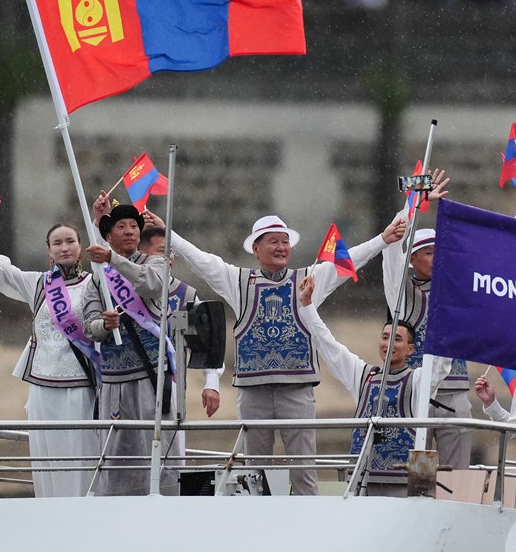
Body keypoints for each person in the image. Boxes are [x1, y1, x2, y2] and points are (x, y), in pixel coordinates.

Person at [150, 208, 406, 495]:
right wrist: (167, 232)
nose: (282, 247)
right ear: (256, 249)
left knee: (304, 470)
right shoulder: (238, 281)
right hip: (252, 391)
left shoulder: (308, 279)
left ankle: (306, 526)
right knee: (255, 473)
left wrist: (382, 239)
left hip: (297, 390)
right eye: (273, 242)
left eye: (285, 242)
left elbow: (348, 260)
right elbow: (200, 260)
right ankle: (258, 527)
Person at [380, 169, 516, 472]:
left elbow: (501, 265)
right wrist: (414, 204)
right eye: (429, 253)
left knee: (457, 475)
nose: (438, 257)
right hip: (417, 393)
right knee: (417, 475)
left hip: (456, 395)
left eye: (442, 251)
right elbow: (392, 252)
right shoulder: (404, 295)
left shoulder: (462, 287)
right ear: (413, 260)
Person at [0, 212, 100, 498]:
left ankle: (84, 516)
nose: (64, 247)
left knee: (82, 454)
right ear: (49, 251)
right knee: (47, 455)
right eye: (57, 243)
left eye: (70, 241)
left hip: (81, 383)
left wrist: (100, 221)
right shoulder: (38, 284)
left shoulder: (95, 284)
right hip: (42, 386)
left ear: (80, 247)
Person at [296, 272, 448, 497]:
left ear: (411, 349)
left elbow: (442, 363)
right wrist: (307, 305)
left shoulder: (418, 380)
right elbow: (327, 345)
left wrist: (452, 315)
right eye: (384, 337)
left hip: (409, 480)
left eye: (396, 339)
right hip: (363, 477)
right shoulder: (363, 376)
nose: (388, 343)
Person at [81, 201, 192, 496]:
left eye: (133, 226)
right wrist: (105, 326)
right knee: (117, 453)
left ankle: (166, 513)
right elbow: (88, 326)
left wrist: (114, 261)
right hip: (115, 378)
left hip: (153, 374)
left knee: (159, 448)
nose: (129, 231)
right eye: (121, 227)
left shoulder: (154, 263)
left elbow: (153, 285)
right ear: (109, 236)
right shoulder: (97, 279)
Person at [136, 227, 221, 419]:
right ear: (141, 254)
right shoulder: (122, 290)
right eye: (161, 251)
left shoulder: (183, 296)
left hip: (170, 390)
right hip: (128, 387)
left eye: (171, 251)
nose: (169, 257)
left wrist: (211, 382)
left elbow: (202, 344)